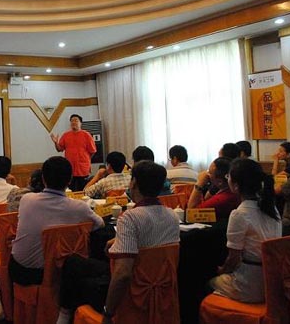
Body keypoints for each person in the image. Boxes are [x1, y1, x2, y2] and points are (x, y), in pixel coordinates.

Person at [55, 161, 180, 324]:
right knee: (75, 263)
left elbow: (122, 274)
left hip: (131, 292)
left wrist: (108, 312)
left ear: (133, 183)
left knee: (77, 277)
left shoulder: (130, 218)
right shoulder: (172, 216)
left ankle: (64, 316)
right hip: (159, 288)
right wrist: (117, 240)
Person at [9, 156, 104, 286]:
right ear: (70, 180)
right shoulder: (79, 207)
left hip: (20, 270)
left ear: (43, 179)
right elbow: (100, 224)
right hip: (57, 273)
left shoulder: (27, 199)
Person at [209, 158, 282, 303]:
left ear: (236, 186)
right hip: (275, 282)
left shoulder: (239, 214)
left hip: (251, 285)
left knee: (209, 283)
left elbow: (233, 259)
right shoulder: (272, 208)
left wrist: (222, 270)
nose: (227, 179)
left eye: (228, 176)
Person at [50, 114, 96, 191]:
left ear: (81, 123)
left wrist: (87, 160)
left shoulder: (86, 135)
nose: (73, 122)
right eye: (72, 121)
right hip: (70, 168)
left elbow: (93, 151)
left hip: (83, 169)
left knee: (84, 190)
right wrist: (55, 143)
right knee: (71, 190)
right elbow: (59, 149)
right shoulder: (66, 135)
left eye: (76, 120)